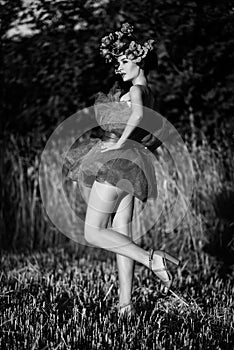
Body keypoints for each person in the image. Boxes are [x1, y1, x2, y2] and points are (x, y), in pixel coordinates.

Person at [64, 23, 180, 318]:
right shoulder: (148, 90)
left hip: (117, 164)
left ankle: (153, 259)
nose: (119, 68)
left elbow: (138, 114)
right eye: (116, 63)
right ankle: (126, 306)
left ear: (138, 58)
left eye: (123, 61)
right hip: (134, 165)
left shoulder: (136, 89)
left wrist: (118, 144)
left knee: (92, 232)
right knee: (122, 235)